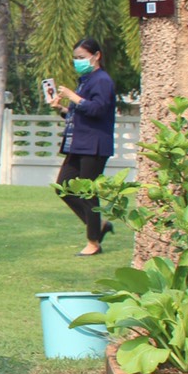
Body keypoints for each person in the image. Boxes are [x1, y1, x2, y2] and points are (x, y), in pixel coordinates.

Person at [49, 37, 117, 257]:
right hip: (78, 144)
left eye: (82, 58)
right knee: (63, 186)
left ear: (96, 56)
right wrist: (61, 107)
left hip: (94, 146)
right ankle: (98, 227)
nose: (77, 62)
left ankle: (93, 242)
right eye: (75, 58)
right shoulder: (86, 80)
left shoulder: (102, 80)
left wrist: (73, 97)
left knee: (87, 192)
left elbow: (98, 110)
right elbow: (80, 114)